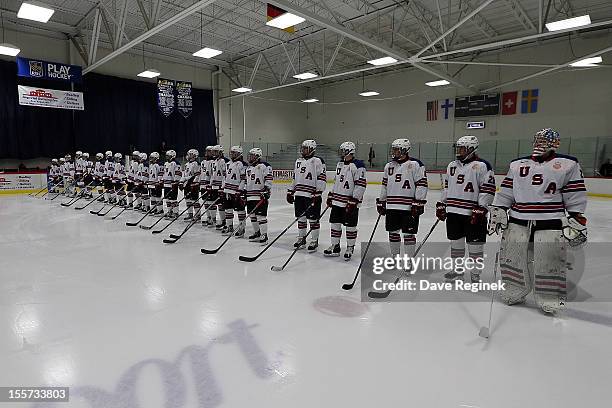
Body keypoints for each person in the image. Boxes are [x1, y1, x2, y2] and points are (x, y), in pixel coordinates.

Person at [489, 128, 588, 315]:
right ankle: (515, 290)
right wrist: (500, 209)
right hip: (518, 220)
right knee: (512, 259)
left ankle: (549, 297)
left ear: (555, 144)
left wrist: (576, 217)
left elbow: (575, 194)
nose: (540, 144)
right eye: (538, 140)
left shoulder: (568, 164)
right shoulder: (517, 165)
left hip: (550, 222)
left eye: (545, 141)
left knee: (549, 261)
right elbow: (507, 191)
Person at [436, 135, 496, 282]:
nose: (459, 151)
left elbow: (488, 189)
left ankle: (475, 274)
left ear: (472, 149)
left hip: (472, 213)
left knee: (475, 246)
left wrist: (482, 208)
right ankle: (458, 271)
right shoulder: (452, 165)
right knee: (456, 243)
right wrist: (442, 203)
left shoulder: (483, 166)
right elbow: (447, 187)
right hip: (454, 212)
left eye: (462, 148)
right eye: (458, 148)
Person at [377, 138, 428, 260]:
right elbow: (385, 185)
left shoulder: (416, 164)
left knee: (408, 234)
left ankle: (409, 260)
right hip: (392, 206)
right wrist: (382, 200)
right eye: (393, 149)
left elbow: (422, 184)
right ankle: (394, 257)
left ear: (405, 150)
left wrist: (419, 202)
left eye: (396, 150)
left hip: (408, 207)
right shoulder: (389, 166)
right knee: (393, 232)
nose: (393, 152)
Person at [324, 141, 367, 260]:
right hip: (337, 200)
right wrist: (331, 194)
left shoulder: (358, 165)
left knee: (350, 226)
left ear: (350, 152)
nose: (341, 153)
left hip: (349, 202)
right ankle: (335, 245)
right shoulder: (340, 164)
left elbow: (361, 185)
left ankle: (350, 247)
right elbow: (337, 181)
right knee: (335, 223)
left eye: (343, 151)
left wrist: (354, 200)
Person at [287, 139, 327, 252]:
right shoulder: (298, 161)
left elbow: (322, 177)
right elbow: (295, 177)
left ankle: (314, 240)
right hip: (299, 194)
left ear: (312, 150)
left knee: (313, 219)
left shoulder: (318, 161)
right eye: (303, 148)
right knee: (301, 218)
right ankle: (301, 238)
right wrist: (290, 191)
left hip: (311, 195)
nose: (303, 150)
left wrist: (318, 192)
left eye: (306, 148)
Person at [245, 147, 273, 244]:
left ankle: (264, 235)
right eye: (250, 156)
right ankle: (257, 232)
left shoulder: (265, 166)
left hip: (260, 195)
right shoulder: (248, 168)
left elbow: (269, 179)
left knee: (261, 216)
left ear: (258, 156)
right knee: (252, 215)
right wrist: (244, 192)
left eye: (252, 156)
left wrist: (266, 189)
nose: (250, 158)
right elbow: (246, 182)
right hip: (250, 195)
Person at [222, 146, 247, 236]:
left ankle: (241, 228)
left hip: (237, 191)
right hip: (227, 191)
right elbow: (225, 177)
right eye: (231, 152)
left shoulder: (243, 164)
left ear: (239, 154)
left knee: (240, 210)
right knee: (228, 209)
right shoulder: (228, 163)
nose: (232, 154)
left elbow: (244, 179)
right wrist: (223, 188)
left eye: (234, 153)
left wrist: (240, 190)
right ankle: (229, 227)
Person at [210, 145, 229, 229]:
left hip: (221, 187)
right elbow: (213, 174)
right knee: (218, 204)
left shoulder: (225, 161)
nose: (214, 153)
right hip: (215, 186)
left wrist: (223, 186)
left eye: (216, 151)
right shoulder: (214, 161)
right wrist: (210, 185)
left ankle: (226, 222)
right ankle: (223, 221)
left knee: (223, 204)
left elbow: (226, 175)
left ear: (221, 152)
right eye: (213, 151)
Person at [180, 149, 202, 221]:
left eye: (190, 154)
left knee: (194, 200)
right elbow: (184, 174)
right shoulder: (186, 164)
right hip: (186, 184)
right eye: (188, 154)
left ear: (195, 156)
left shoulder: (196, 164)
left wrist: (194, 183)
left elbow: (197, 175)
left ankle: (198, 215)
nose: (188, 156)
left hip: (192, 184)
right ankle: (190, 214)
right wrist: (181, 182)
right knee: (187, 199)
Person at [163, 150, 182, 219]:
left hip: (172, 184)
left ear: (172, 156)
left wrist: (176, 182)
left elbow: (178, 173)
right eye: (166, 156)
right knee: (167, 199)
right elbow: (165, 173)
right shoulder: (166, 163)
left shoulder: (176, 163)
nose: (167, 157)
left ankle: (175, 212)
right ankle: (169, 211)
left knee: (173, 199)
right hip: (166, 184)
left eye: (168, 156)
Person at [200, 146, 214, 226]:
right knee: (205, 202)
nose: (207, 153)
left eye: (209, 151)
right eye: (206, 151)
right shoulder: (203, 162)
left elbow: (213, 175)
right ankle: (208, 217)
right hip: (203, 185)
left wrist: (210, 184)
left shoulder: (213, 162)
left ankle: (213, 218)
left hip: (209, 185)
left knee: (210, 202)